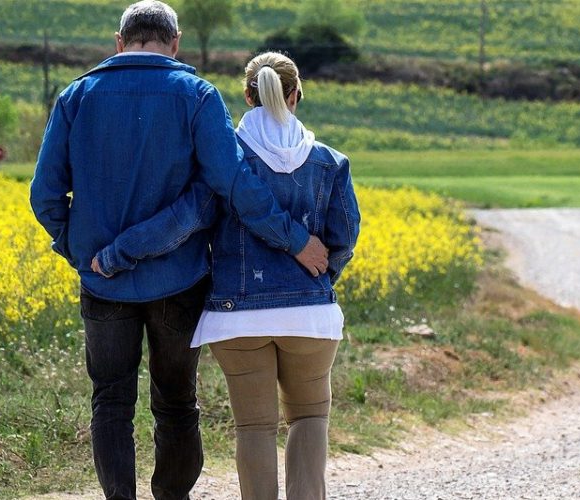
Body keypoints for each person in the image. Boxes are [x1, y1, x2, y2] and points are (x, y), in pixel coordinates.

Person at [28, 2, 330, 499]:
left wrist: (78, 250)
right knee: (175, 401)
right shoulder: (197, 95)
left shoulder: (76, 97)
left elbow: (44, 195)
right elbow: (233, 183)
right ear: (176, 42)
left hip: (102, 283)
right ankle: (173, 495)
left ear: (120, 41)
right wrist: (294, 239)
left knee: (110, 400)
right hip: (179, 280)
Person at [94, 52, 359, 500]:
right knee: (309, 418)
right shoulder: (330, 162)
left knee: (255, 426)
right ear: (296, 96)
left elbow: (182, 221)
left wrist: (119, 252)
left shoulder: (226, 165)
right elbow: (344, 237)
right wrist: (316, 278)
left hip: (237, 319)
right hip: (310, 319)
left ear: (246, 95)